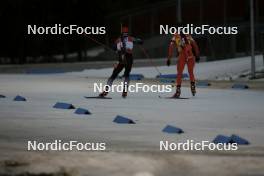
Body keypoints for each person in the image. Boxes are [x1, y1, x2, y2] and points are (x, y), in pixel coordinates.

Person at [99, 26, 143, 98]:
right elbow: (140, 41)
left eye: (125, 33)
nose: (125, 35)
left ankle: (108, 91)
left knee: (118, 75)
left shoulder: (122, 39)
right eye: (124, 33)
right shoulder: (127, 39)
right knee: (122, 74)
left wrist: (138, 41)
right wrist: (138, 41)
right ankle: (122, 92)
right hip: (125, 58)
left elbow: (113, 47)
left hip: (125, 58)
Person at [167, 32, 200, 98]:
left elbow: (171, 47)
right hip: (190, 55)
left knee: (179, 73)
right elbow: (195, 45)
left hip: (182, 56)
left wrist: (169, 58)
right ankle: (193, 87)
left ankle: (178, 91)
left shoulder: (175, 37)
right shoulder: (188, 36)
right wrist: (197, 55)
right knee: (191, 72)